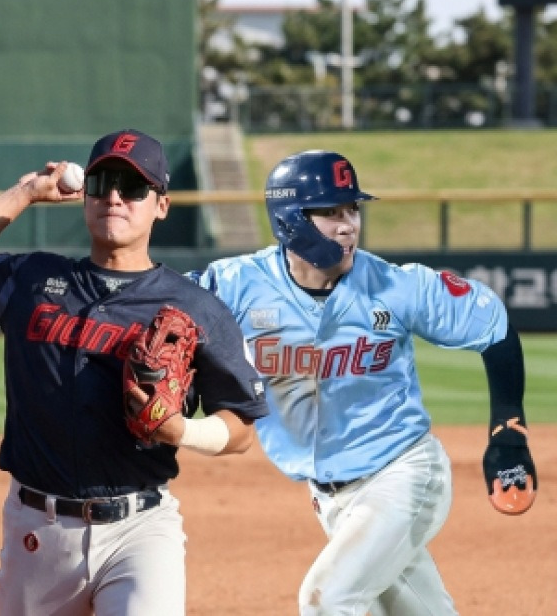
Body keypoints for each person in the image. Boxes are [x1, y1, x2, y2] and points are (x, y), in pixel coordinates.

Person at [0, 129, 268, 616]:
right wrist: (25, 193)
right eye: (102, 182)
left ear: (161, 205)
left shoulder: (196, 308)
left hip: (140, 529)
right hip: (36, 528)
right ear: (84, 195)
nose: (113, 198)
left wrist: (182, 429)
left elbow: (240, 428)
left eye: (133, 188)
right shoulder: (32, 280)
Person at [188, 149, 538, 615]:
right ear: (291, 219)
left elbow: (492, 328)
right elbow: (170, 317)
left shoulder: (395, 285)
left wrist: (508, 432)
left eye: (352, 208)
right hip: (328, 497)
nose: (349, 223)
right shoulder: (233, 285)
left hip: (404, 474)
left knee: (327, 598)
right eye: (331, 212)